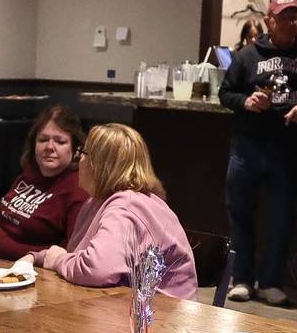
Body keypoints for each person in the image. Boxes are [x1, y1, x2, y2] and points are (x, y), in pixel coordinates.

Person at [221, 0, 297, 304]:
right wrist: (246, 102)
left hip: (287, 148)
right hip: (247, 146)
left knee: (281, 217)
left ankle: (270, 282)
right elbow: (226, 94)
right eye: (284, 17)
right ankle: (241, 279)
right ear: (270, 20)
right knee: (241, 214)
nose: (291, 23)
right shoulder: (247, 56)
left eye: (295, 17)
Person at [24, 124, 198, 299]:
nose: (79, 160)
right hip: (132, 310)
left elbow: (96, 269)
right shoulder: (98, 201)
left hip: (160, 319)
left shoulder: (126, 207)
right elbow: (81, 256)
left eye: (83, 153)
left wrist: (57, 260)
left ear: (99, 164)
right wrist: (40, 257)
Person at [0, 105, 89, 261]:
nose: (49, 147)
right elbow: (3, 220)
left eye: (60, 142)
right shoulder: (30, 173)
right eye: (42, 140)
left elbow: (70, 253)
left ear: (75, 148)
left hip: (38, 276)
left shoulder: (77, 190)